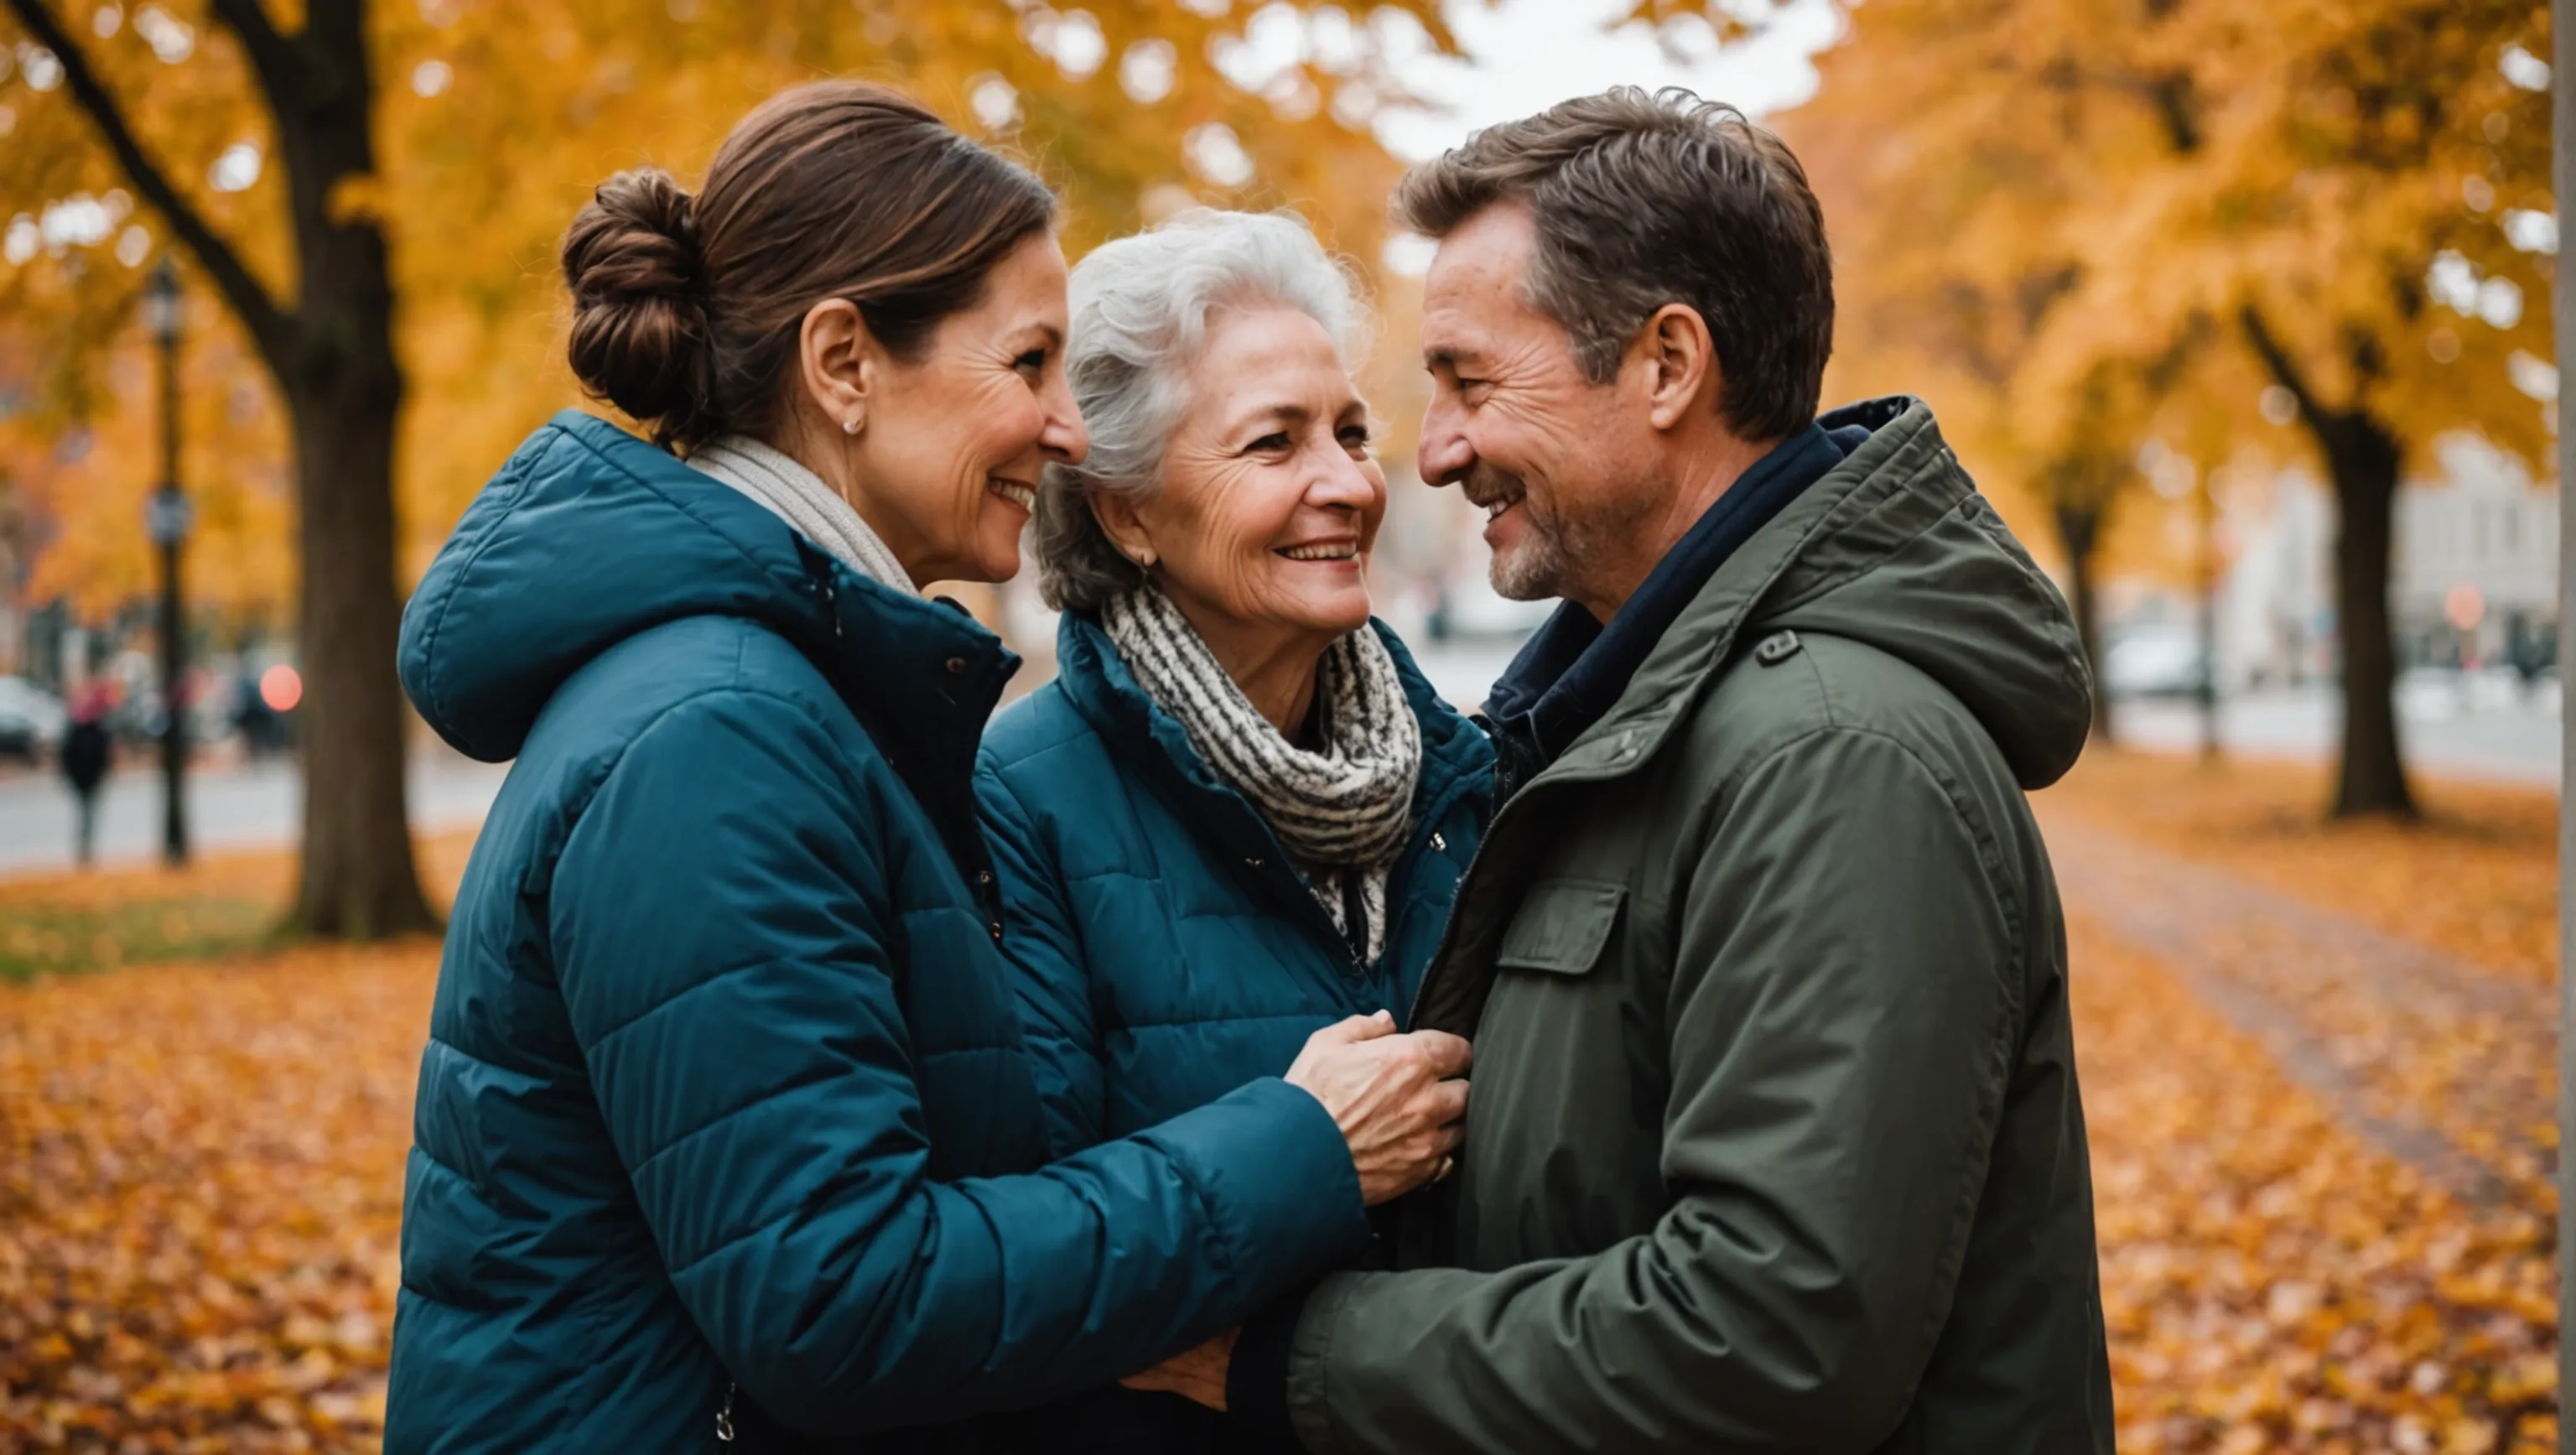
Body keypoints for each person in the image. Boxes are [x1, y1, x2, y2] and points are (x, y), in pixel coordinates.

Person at [385, 82, 1469, 1454]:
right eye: (1026, 366)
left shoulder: (788, 699)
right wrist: (1301, 1149)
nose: (1065, 429)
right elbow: (846, 1300)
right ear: (844, 365)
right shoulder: (719, 734)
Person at [1135, 87, 2116, 1452]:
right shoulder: (1629, 728)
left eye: (1472, 381)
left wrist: (1295, 1358)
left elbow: (1769, 1337)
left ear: (1665, 365)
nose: (1432, 452)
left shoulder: (1833, 757)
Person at [977, 209, 1495, 1452]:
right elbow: (1012, 1242)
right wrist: (1305, 1147)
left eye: (1352, 430)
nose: (1350, 482)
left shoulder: (1468, 777)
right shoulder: (1015, 799)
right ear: (1126, 515)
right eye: (1275, 442)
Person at [60, 683, 112, 866]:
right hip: (81, 779)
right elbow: (66, 756)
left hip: (92, 779)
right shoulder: (76, 729)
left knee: (88, 815)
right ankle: (84, 850)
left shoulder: (96, 729)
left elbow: (105, 756)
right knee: (85, 815)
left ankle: (86, 850)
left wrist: (102, 774)